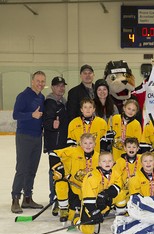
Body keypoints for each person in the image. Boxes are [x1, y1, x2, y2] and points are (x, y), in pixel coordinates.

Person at [11, 71, 46, 214]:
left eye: (43, 81)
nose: (40, 84)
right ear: (32, 81)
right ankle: (15, 199)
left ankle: (27, 198)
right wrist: (31, 115)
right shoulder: (23, 96)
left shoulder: (42, 97)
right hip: (24, 136)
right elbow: (15, 115)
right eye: (38, 81)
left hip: (38, 137)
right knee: (22, 168)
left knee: (32, 169)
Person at [49, 133, 99, 222]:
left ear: (95, 144)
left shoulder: (98, 157)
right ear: (80, 143)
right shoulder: (73, 151)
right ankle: (63, 208)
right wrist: (59, 169)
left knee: (80, 215)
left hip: (86, 190)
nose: (88, 146)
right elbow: (53, 153)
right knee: (61, 183)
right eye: (85, 143)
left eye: (90, 143)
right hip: (72, 186)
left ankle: (66, 205)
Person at [77, 151, 126, 234]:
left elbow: (118, 187)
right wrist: (94, 212)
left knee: (121, 194)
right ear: (99, 163)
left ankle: (121, 218)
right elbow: (88, 198)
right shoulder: (91, 176)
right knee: (88, 231)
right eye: (104, 161)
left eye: (110, 161)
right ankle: (77, 221)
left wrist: (105, 194)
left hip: (106, 200)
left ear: (113, 162)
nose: (107, 163)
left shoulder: (116, 173)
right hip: (92, 203)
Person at [43, 76, 69, 214]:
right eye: (58, 86)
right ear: (52, 87)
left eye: (63, 86)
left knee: (62, 172)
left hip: (63, 144)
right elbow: (45, 122)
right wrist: (52, 124)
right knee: (54, 172)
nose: (61, 88)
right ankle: (54, 199)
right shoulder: (50, 103)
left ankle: (61, 199)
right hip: (55, 144)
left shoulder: (63, 102)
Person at [112, 137, 142, 202]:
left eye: (134, 147)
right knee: (120, 203)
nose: (131, 149)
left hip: (139, 189)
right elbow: (115, 177)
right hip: (124, 189)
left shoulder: (142, 159)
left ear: (137, 149)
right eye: (129, 147)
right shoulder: (119, 161)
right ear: (125, 148)